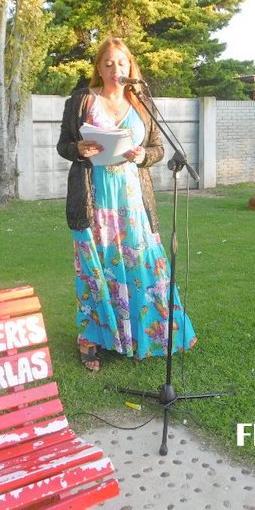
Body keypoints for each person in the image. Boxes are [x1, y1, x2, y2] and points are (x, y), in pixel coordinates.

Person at [56, 37, 197, 371]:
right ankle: (91, 339)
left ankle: (142, 334)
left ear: (130, 66)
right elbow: (63, 146)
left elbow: (158, 149)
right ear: (98, 68)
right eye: (107, 63)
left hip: (134, 204)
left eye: (121, 62)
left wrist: (143, 155)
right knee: (97, 271)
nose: (115, 69)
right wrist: (79, 149)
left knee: (141, 268)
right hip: (95, 202)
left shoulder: (142, 102)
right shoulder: (81, 101)